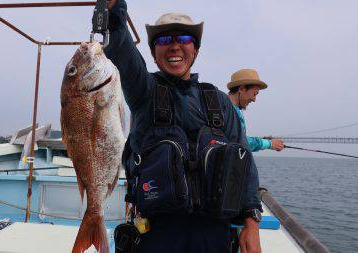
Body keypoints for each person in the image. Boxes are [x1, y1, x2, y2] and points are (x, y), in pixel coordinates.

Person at [105, 1, 262, 252]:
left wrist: (251, 222)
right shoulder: (143, 91)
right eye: (164, 39)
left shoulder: (219, 100)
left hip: (214, 234)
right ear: (154, 53)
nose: (174, 45)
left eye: (185, 37)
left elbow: (244, 163)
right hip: (157, 234)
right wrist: (114, 12)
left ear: (196, 50)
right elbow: (122, 50)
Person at [227, 69, 285, 152]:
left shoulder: (229, 109)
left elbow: (236, 138)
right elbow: (238, 142)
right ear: (242, 89)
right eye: (254, 94)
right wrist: (269, 143)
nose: (254, 99)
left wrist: (264, 140)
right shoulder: (227, 110)